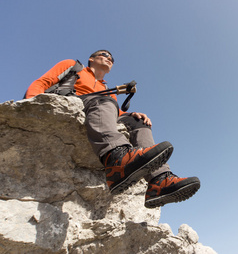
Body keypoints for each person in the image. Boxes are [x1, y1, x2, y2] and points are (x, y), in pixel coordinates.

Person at [25, 50, 200, 208]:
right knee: (107, 101)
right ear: (91, 59)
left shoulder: (107, 90)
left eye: (112, 58)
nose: (109, 58)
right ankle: (117, 158)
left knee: (138, 121)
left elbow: (114, 113)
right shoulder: (73, 66)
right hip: (73, 101)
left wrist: (132, 114)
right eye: (103, 54)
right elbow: (43, 82)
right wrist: (31, 105)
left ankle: (160, 181)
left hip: (100, 104)